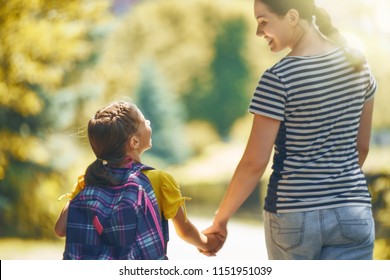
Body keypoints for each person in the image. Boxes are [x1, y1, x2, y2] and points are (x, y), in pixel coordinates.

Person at [202, 0, 377, 260]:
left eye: (263, 21)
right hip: (353, 212)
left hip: (292, 216)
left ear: (292, 17)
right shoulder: (357, 65)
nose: (258, 32)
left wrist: (220, 220)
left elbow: (254, 163)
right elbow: (361, 147)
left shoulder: (278, 78)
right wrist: (334, 187)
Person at [55, 101, 219, 259]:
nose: (148, 121)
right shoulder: (159, 180)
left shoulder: (89, 179)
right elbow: (185, 231)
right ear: (134, 141)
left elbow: (60, 229)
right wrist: (208, 243)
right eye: (144, 121)